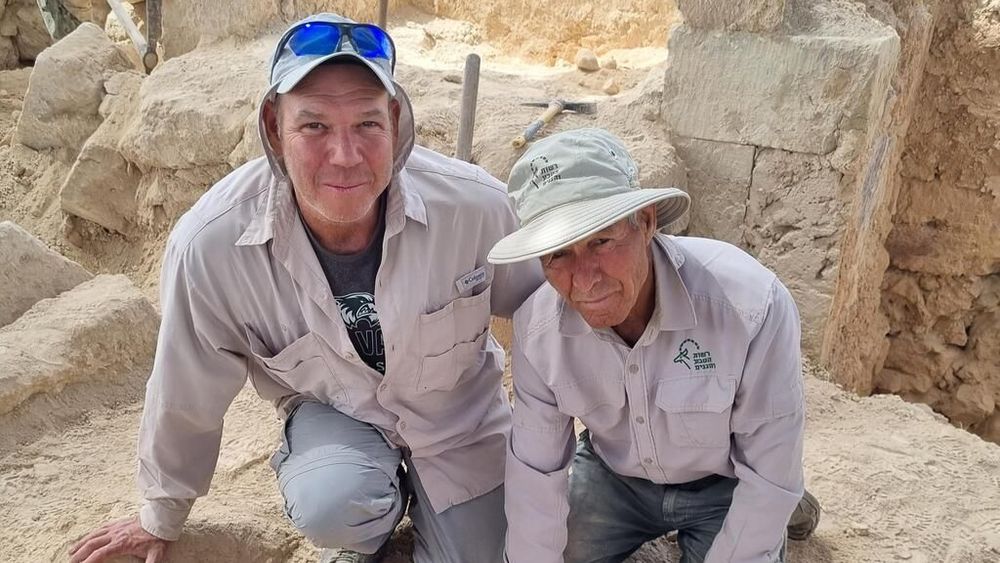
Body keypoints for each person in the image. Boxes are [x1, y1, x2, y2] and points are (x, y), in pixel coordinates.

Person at [69, 13, 541, 563]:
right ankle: (370, 523)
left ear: (395, 121)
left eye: (367, 124)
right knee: (333, 505)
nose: (345, 155)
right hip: (337, 420)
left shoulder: (475, 207)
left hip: (459, 424)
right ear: (273, 127)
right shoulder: (212, 244)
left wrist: (581, 448)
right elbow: (184, 388)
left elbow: (544, 320)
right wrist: (161, 513)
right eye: (314, 126)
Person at [490, 128, 815, 563]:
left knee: (771, 495)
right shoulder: (538, 328)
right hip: (615, 478)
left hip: (726, 477)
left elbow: (768, 470)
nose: (584, 279)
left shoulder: (751, 304)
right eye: (558, 254)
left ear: (645, 222)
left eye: (601, 242)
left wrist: (765, 514)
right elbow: (537, 472)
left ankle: (793, 507)